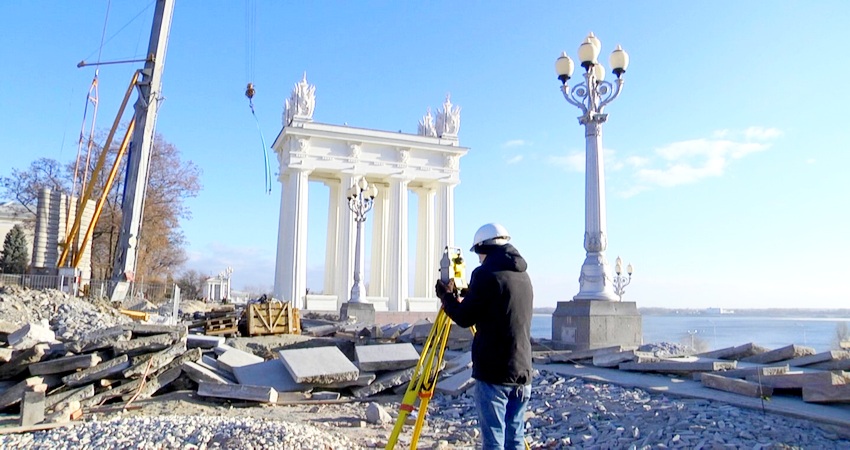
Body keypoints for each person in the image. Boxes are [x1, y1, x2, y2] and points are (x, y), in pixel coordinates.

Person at [435, 223, 533, 450]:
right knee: (515, 438)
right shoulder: (523, 276)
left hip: (494, 374)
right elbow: (501, 306)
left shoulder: (485, 274)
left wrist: (446, 297)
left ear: (484, 248)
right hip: (522, 371)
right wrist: (472, 294)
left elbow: (464, 317)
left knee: (494, 441)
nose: (478, 258)